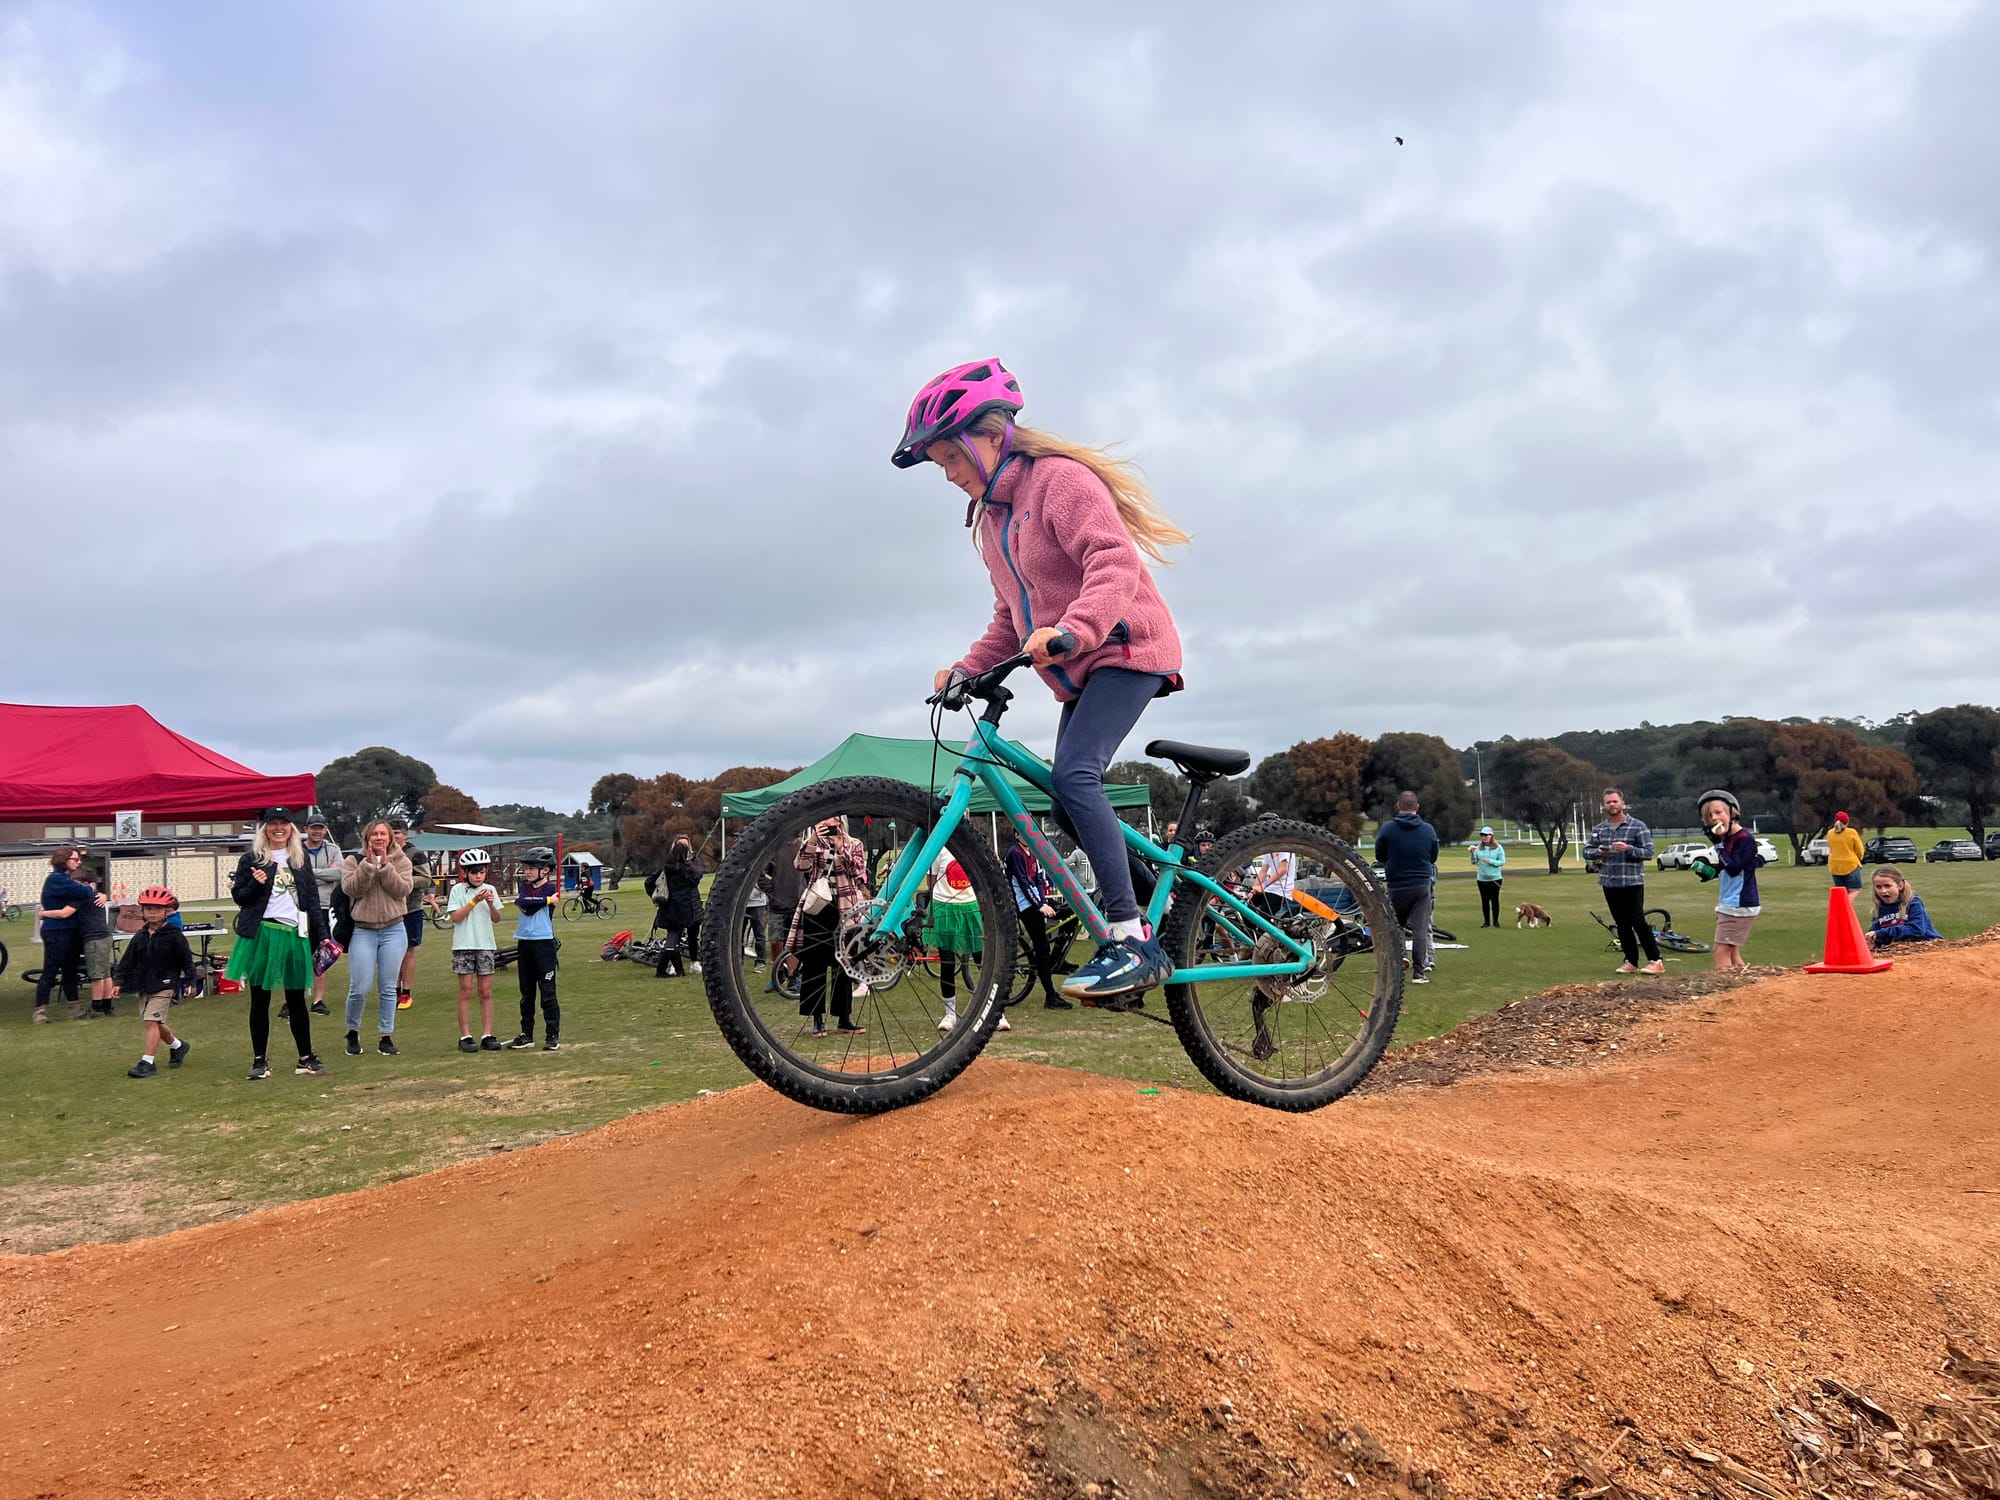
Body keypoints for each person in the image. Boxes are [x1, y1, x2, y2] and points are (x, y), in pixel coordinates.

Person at [901, 358, 1187, 1003]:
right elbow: (1010, 617)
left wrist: (1078, 629)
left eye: (949, 458)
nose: (946, 475)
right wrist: (968, 669)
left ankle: (1130, 938)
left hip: (1125, 647)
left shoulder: (1060, 481)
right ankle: (1169, 904)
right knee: (1063, 797)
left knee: (1077, 776)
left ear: (987, 437)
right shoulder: (994, 521)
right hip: (1080, 665)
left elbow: (1112, 561)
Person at [225, 808, 329, 1079]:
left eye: (284, 824)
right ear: (265, 828)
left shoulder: (299, 858)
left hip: (295, 933)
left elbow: (312, 901)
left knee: (296, 999)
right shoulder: (252, 858)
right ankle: (260, 1061)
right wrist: (257, 885)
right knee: (260, 999)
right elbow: (240, 897)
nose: (279, 828)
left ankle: (306, 1057)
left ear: (292, 829)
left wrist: (323, 934)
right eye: (273, 824)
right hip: (263, 934)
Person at [782, 816, 867, 1037]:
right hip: (817, 908)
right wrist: (812, 840)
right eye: (824, 822)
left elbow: (858, 870)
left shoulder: (854, 844)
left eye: (833, 822)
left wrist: (840, 848)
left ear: (841, 822)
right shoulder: (814, 843)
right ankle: (817, 1019)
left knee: (844, 964)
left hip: (844, 909)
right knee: (814, 964)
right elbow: (800, 865)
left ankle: (844, 1018)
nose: (829, 825)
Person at [338, 819, 413, 1057]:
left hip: (394, 929)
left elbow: (403, 890)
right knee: (359, 987)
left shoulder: (401, 860)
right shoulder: (353, 861)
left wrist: (385, 867)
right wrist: (368, 867)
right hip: (363, 930)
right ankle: (352, 1031)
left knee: (388, 987)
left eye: (383, 834)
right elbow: (351, 889)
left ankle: (386, 1036)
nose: (379, 838)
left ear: (390, 837)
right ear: (367, 838)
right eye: (374, 834)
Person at [117, 886, 196, 1078]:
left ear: (166, 912)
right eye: (148, 908)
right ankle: (178, 1046)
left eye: (157, 909)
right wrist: (118, 981)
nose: (152, 913)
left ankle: (147, 1062)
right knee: (155, 1023)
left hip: (166, 984)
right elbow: (128, 960)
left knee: (150, 1020)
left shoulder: (174, 935)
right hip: (145, 985)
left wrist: (191, 981)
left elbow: (186, 959)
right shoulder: (140, 936)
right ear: (142, 912)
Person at [927, 848, 1009, 1031]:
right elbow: (931, 881)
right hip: (945, 908)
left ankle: (996, 1013)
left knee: (984, 961)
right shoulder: (939, 849)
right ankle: (950, 1014)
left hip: (971, 908)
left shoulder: (973, 848)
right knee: (947, 963)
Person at [1585, 788, 1662, 975]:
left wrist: (1628, 849)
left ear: (1622, 803)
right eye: (1608, 802)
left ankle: (1655, 960)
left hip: (1631, 881)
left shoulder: (1637, 826)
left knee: (1637, 920)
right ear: (1604, 806)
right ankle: (1631, 961)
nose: (1612, 805)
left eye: (1615, 801)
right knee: (1621, 923)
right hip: (1609, 882)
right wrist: (1599, 852)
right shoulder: (1599, 829)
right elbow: (1587, 851)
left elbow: (1649, 853)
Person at [1374, 792, 1440, 983]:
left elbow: (1380, 854)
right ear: (1417, 807)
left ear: (1398, 806)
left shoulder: (1388, 829)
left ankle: (1398, 961)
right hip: (1421, 884)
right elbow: (1433, 856)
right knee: (1420, 928)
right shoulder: (1428, 830)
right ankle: (1419, 971)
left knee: (1396, 927)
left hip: (1397, 884)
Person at [1691, 790, 1760, 969]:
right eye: (1709, 815)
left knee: (1720, 951)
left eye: (1718, 812)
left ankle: (1727, 992)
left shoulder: (1744, 839)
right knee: (1733, 952)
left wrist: (1717, 845)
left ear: (1732, 812)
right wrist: (1709, 872)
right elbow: (1725, 868)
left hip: (1739, 903)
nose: (1714, 818)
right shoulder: (1727, 838)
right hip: (1731, 901)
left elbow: (1734, 867)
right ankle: (1745, 990)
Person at [34, 846, 102, 1022]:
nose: (78, 863)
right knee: (51, 969)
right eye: (75, 859)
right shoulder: (56, 879)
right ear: (63, 860)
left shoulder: (65, 879)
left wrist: (99, 893)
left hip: (69, 930)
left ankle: (75, 1007)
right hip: (56, 930)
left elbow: (84, 893)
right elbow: (85, 892)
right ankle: (40, 1011)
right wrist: (93, 890)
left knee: (70, 970)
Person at [448, 848, 504, 1053]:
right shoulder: (458, 891)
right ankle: (465, 1035)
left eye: (482, 872)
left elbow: (497, 919)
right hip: (464, 945)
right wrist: (474, 901)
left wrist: (490, 903)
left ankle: (487, 1034)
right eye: (474, 872)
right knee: (466, 990)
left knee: (486, 992)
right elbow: (456, 917)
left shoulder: (490, 889)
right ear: (466, 873)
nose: (478, 876)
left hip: (486, 945)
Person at [1006, 828, 1070, 1009]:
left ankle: (1058, 957)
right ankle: (1051, 996)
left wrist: (1043, 901)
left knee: (1070, 914)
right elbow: (1024, 883)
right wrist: (1039, 905)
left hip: (1034, 901)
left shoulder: (1031, 852)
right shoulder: (1015, 853)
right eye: (1022, 833)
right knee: (1042, 948)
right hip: (1024, 905)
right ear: (1016, 835)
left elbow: (1038, 880)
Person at [507, 846, 561, 1051]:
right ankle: (526, 1034)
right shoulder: (526, 887)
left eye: (532, 868)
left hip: (544, 943)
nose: (527, 871)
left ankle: (552, 1035)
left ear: (545, 870)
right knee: (526, 992)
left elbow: (528, 905)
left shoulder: (550, 887)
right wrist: (546, 901)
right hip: (525, 942)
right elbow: (524, 903)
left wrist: (542, 900)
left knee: (548, 992)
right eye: (526, 868)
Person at [389, 819, 434, 1012]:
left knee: (407, 950)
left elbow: (426, 879)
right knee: (391, 952)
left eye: (397, 832)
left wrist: (401, 880)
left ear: (405, 835)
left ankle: (406, 992)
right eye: (391, 832)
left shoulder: (415, 854)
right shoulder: (382, 853)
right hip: (388, 909)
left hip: (411, 908)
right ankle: (393, 991)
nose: (394, 836)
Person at [301, 811, 343, 1016]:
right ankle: (294, 999)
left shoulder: (333, 850)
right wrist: (323, 874)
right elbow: (292, 875)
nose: (317, 831)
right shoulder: (296, 850)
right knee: (299, 955)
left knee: (322, 955)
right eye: (313, 827)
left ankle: (318, 1000)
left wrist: (308, 873)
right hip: (300, 909)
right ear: (306, 829)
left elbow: (339, 873)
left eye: (320, 828)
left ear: (325, 830)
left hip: (325, 907)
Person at [651, 837, 704, 979]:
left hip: (668, 908)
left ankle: (673, 968)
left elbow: (650, 882)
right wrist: (691, 864)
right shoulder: (685, 869)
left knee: (673, 937)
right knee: (675, 937)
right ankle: (667, 969)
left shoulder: (666, 867)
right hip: (683, 908)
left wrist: (655, 898)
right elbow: (697, 876)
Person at [761, 834, 804, 995]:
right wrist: (772, 894)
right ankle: (778, 974)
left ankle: (793, 976)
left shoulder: (803, 847)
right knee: (774, 941)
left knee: (795, 944)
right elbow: (762, 874)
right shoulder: (774, 848)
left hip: (797, 904)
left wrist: (804, 893)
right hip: (777, 904)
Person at [74, 866, 118, 1017]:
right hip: (105, 936)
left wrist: (43, 913)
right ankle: (107, 1006)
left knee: (96, 975)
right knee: (105, 972)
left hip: (94, 939)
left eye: (77, 883)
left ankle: (96, 1008)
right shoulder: (96, 896)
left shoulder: (83, 898)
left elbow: (65, 912)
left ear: (88, 884)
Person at [1867, 868, 1941, 949]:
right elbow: (1876, 935)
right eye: (1878, 887)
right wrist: (1872, 940)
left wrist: (1881, 933)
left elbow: (1917, 930)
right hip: (1899, 950)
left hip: (1927, 945)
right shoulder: (1879, 909)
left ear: (1900, 885)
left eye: (1887, 886)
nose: (1883, 891)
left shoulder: (1913, 902)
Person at [1826, 811, 1866, 903]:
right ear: (1847, 822)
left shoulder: (1830, 833)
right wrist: (1859, 858)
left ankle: (1842, 910)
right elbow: (1859, 849)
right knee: (1855, 890)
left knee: (1842, 892)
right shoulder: (1851, 832)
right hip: (1850, 865)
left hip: (1835, 867)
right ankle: (1844, 908)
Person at [1470, 827, 1506, 928]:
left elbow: (1502, 862)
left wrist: (1490, 861)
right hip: (1482, 879)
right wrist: (1472, 854)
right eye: (1482, 835)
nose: (1484, 837)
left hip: (1495, 878)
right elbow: (1474, 862)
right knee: (1484, 900)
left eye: (1486, 835)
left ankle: (1495, 922)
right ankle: (1486, 922)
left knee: (1494, 900)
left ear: (1491, 836)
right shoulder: (1478, 848)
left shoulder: (1498, 848)